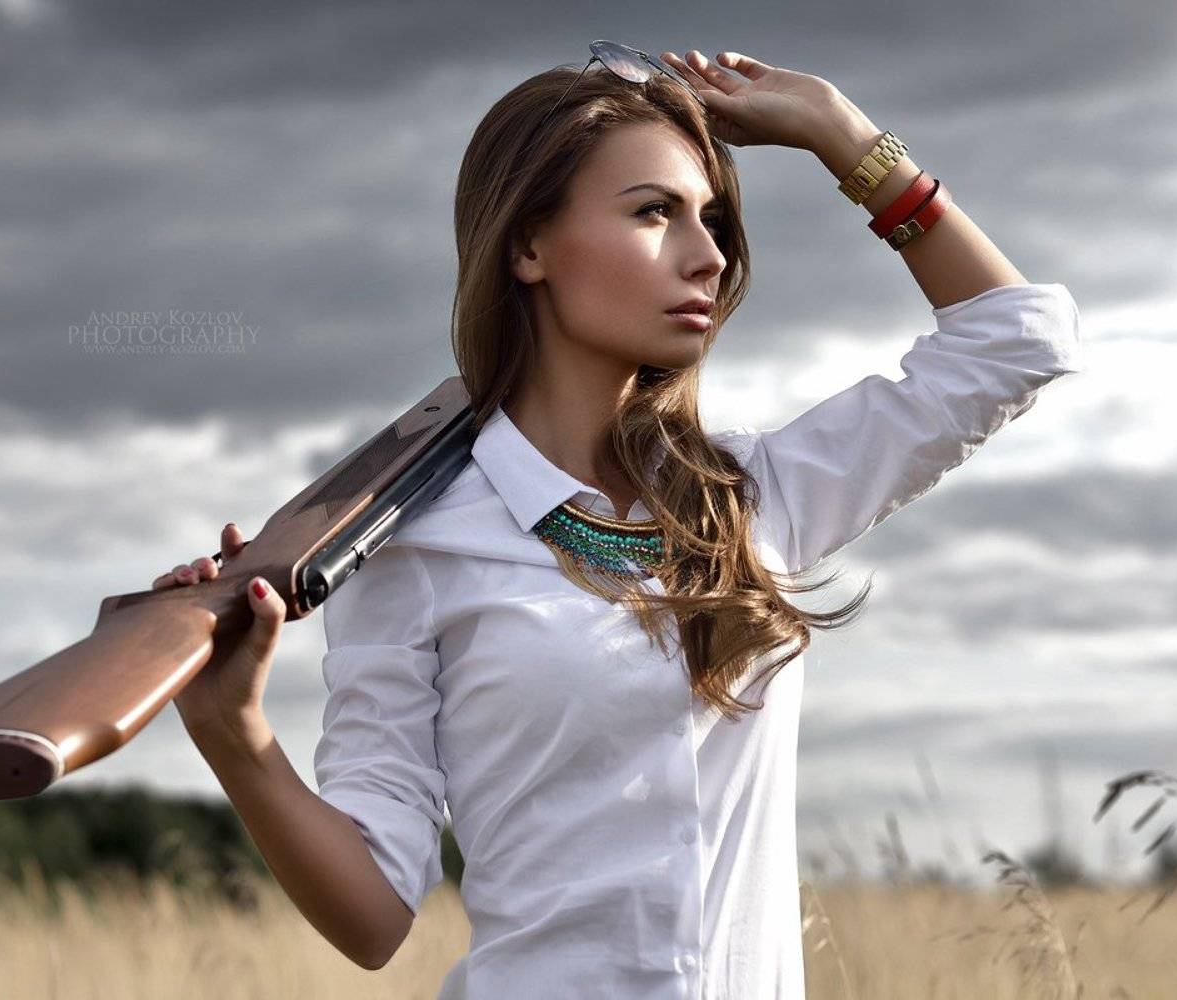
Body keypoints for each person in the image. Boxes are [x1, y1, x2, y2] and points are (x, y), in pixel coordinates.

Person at [152, 43, 1085, 999]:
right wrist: (238, 738)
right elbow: (375, 914)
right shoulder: (414, 548)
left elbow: (1017, 340)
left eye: (712, 219)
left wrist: (840, 136)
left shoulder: (751, 497)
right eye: (653, 212)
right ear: (528, 246)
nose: (709, 255)